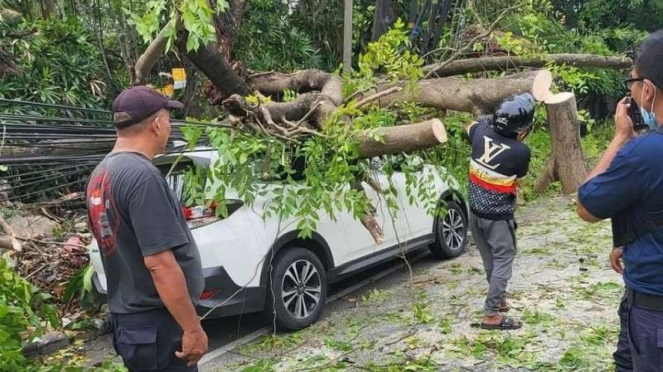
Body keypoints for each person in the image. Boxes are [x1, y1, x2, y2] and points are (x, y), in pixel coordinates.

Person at [86, 86, 208, 371]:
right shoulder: (142, 176)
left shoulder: (99, 175)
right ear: (156, 124)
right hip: (158, 325)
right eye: (168, 118)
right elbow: (159, 264)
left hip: (131, 324)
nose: (169, 125)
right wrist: (192, 329)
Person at [576, 30, 663, 372]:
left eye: (634, 82)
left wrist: (621, 137)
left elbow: (586, 206)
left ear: (648, 89)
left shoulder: (647, 153)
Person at [465, 93, 534, 330]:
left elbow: (474, 124)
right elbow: (520, 175)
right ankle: (492, 314)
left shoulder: (479, 132)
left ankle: (499, 297)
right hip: (497, 216)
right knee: (504, 258)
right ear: (521, 128)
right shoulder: (520, 152)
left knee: (489, 260)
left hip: (474, 212)